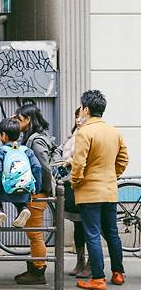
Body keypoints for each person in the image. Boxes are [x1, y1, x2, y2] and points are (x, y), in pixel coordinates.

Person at [71, 90, 128, 290]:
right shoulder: (114, 131)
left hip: (89, 192)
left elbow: (78, 163)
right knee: (112, 233)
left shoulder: (84, 132)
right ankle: (118, 273)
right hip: (110, 190)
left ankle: (98, 278)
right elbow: (123, 160)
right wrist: (113, 176)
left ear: (86, 109)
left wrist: (76, 182)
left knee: (93, 234)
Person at [13, 102, 54, 285]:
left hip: (36, 194)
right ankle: (35, 267)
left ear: (28, 120)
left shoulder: (35, 141)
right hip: (36, 192)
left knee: (35, 234)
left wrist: (42, 190)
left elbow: (45, 168)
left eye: (19, 119)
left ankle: (38, 272)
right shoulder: (34, 138)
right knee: (32, 233)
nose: (16, 122)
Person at [0, 118, 42, 228]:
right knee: (20, 192)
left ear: (3, 135)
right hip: (24, 189)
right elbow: (37, 167)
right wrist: (36, 188)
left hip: (4, 191)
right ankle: (22, 209)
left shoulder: (2, 151)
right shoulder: (26, 150)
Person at [56, 108, 90, 278]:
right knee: (78, 224)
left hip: (83, 184)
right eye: (76, 116)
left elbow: (82, 157)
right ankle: (80, 261)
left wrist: (68, 161)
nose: (78, 119)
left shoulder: (88, 134)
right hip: (71, 182)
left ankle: (91, 264)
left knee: (89, 225)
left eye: (81, 116)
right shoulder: (75, 133)